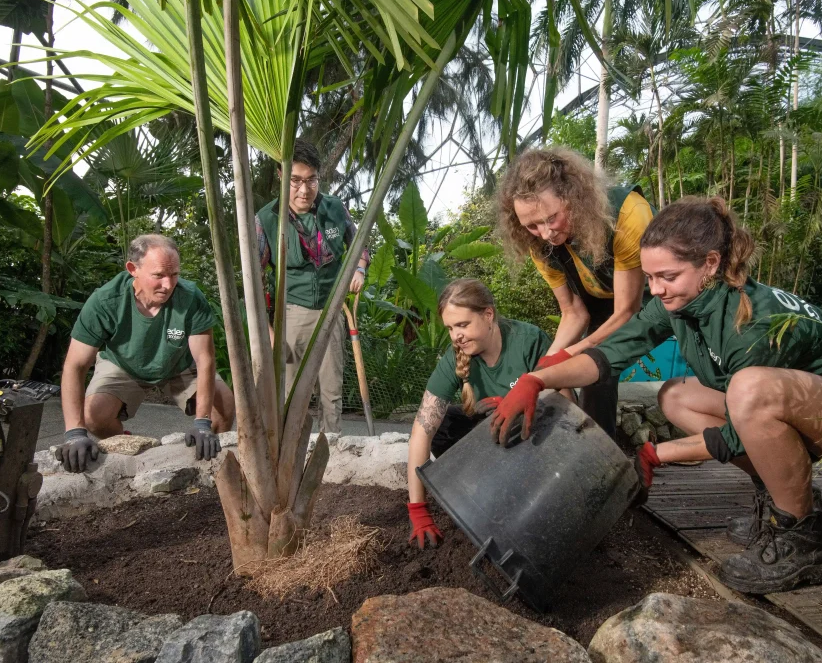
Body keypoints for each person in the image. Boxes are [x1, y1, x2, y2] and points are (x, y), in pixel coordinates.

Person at [487, 196, 822, 594]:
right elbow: (610, 354)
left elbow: (742, 429)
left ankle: (801, 539)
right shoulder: (687, 302)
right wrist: (535, 380)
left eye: (668, 277)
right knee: (676, 396)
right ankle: (783, 495)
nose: (655, 290)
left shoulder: (753, 323)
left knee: (749, 391)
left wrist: (657, 454)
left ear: (710, 263)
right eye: (650, 277)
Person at [497, 147, 653, 440]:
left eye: (551, 218)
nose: (545, 233)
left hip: (648, 299)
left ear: (573, 197)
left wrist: (569, 354)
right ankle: (600, 453)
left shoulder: (628, 213)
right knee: (593, 380)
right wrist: (545, 366)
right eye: (532, 225)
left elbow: (628, 312)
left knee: (592, 358)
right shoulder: (539, 246)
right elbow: (573, 311)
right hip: (599, 305)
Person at [60, 234, 232, 472]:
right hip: (123, 364)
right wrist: (74, 432)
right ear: (133, 269)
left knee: (224, 408)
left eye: (174, 275)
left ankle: (213, 469)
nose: (168, 284)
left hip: (179, 362)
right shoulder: (105, 301)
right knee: (94, 417)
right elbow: (75, 366)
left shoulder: (190, 297)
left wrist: (202, 422)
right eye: (159, 275)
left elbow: (205, 359)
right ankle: (125, 445)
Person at [406, 279, 555, 549]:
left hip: (534, 444)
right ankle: (476, 494)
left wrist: (519, 404)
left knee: (510, 423)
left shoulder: (529, 341)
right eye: (450, 328)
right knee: (443, 424)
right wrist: (418, 509)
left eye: (462, 325)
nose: (456, 336)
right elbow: (421, 431)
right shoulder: (456, 356)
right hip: (490, 437)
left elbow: (566, 405)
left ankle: (517, 499)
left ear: (488, 315)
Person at [255, 139, 369, 435]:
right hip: (291, 315)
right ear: (281, 176)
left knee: (331, 389)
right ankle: (289, 448)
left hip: (332, 310)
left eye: (311, 180)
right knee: (291, 388)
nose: (304, 190)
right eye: (295, 181)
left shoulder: (334, 208)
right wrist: (267, 330)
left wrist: (359, 267)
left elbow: (358, 244)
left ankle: (331, 450)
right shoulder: (266, 218)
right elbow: (254, 278)